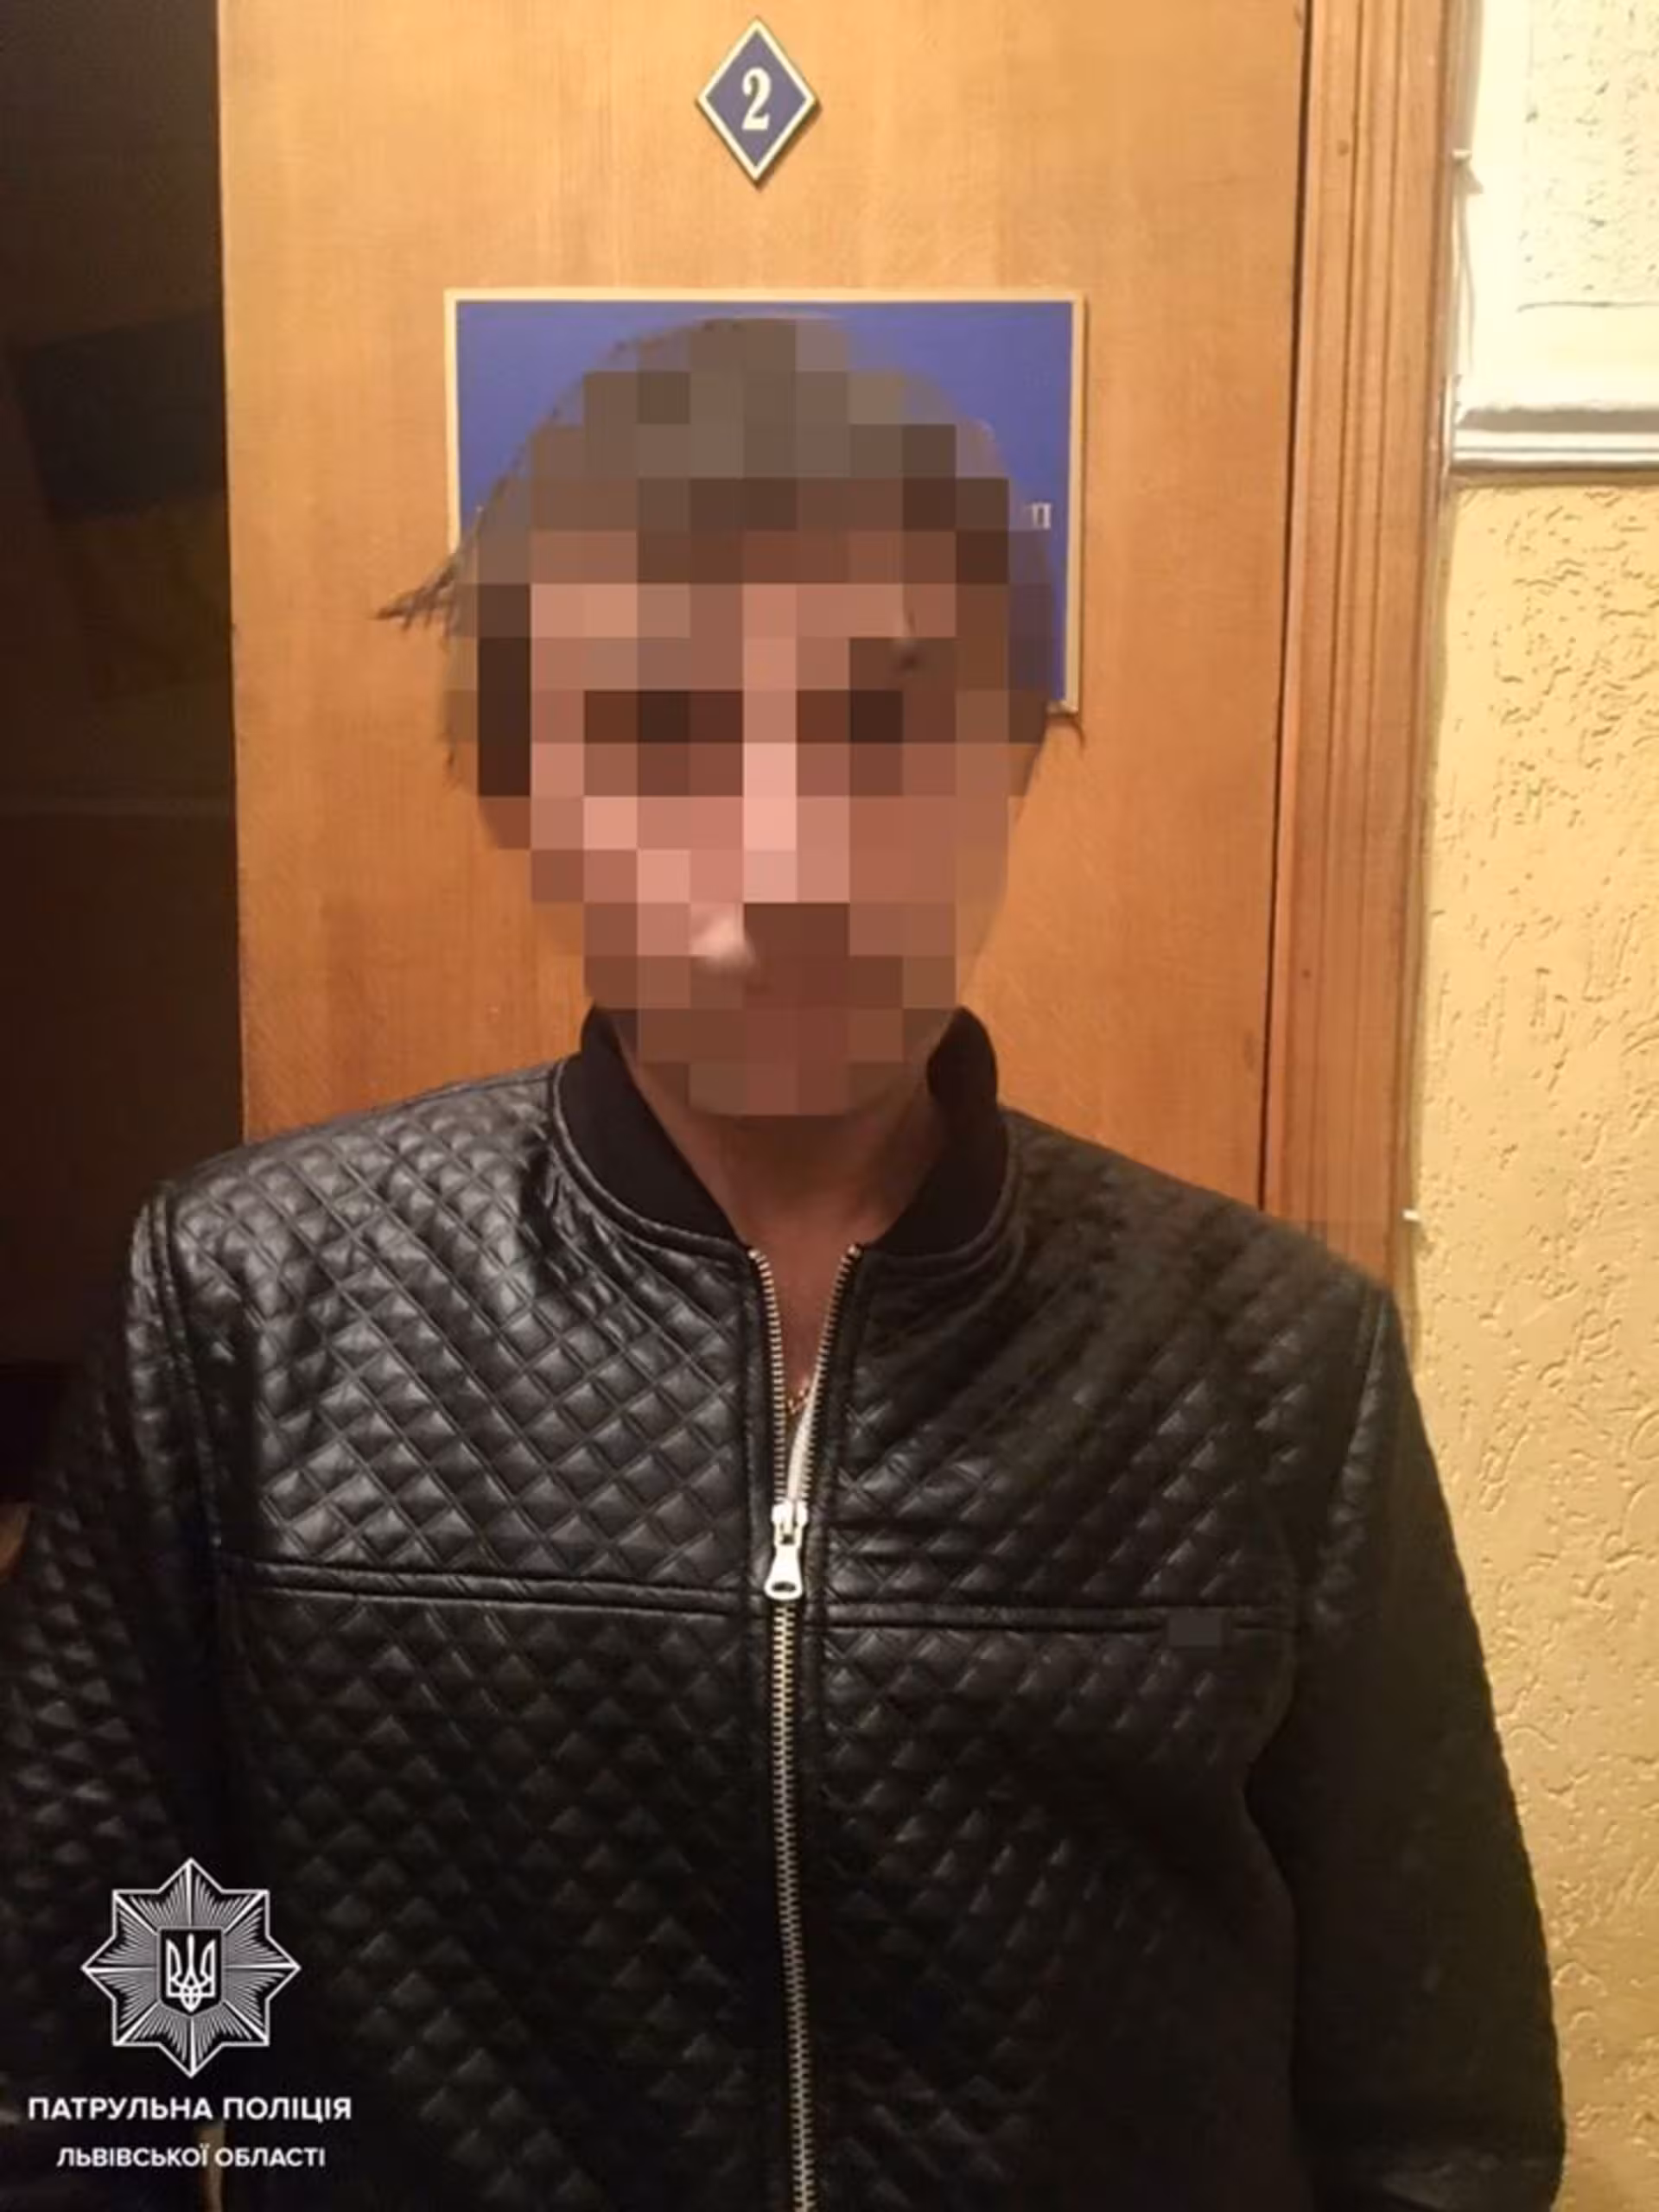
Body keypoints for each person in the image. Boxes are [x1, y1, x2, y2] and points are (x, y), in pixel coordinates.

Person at [0, 315, 1564, 2209]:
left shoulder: (1284, 1364)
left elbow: (1441, 2115)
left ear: (1013, 753)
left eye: (885, 718)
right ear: (520, 791)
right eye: (662, 730)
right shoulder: (243, 1311)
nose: (790, 853)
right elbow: (73, 2078)